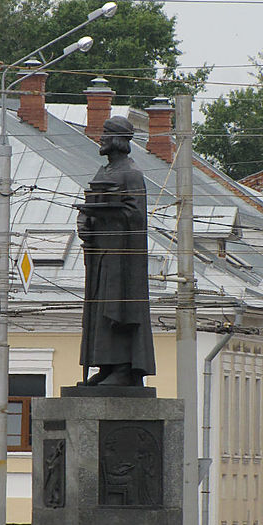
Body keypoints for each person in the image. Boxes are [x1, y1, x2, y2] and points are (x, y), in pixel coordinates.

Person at [77, 116, 156, 387]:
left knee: (118, 308)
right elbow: (90, 203)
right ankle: (106, 365)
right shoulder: (103, 172)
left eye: (106, 133)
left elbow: (136, 217)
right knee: (98, 310)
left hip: (121, 256)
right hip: (100, 252)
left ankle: (124, 367)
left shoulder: (131, 174)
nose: (101, 138)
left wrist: (107, 211)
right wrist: (86, 221)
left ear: (118, 140)